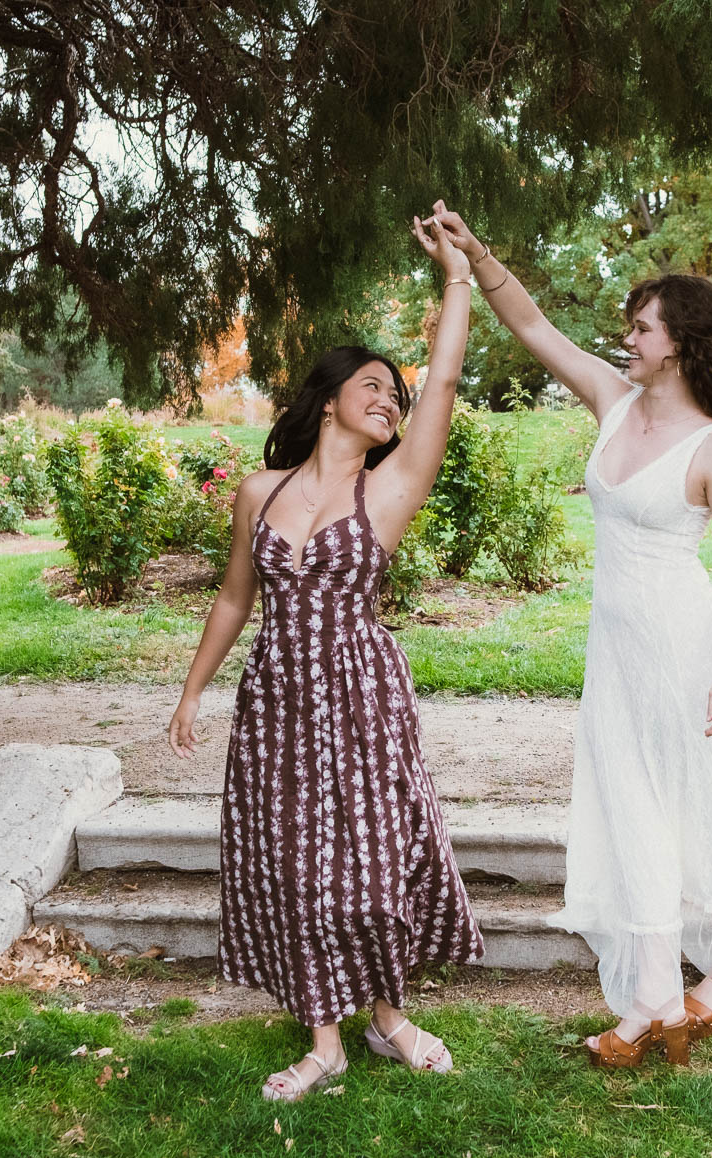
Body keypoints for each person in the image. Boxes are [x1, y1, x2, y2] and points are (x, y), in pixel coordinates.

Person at [428, 206, 712, 1070]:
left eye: (642, 327)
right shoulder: (613, 403)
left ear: (680, 341)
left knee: (705, 808)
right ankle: (656, 1000)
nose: (627, 337)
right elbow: (533, 325)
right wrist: (474, 255)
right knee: (631, 813)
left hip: (691, 649)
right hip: (616, 656)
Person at [167, 209, 483, 1101]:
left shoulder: (388, 490)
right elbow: (236, 597)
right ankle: (325, 1041)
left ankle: (389, 1018)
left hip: (361, 689)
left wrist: (456, 277)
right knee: (297, 858)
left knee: (374, 853)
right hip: (277, 695)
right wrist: (192, 693)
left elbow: (447, 379)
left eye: (397, 396)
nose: (391, 399)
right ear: (332, 392)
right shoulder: (258, 491)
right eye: (376, 385)